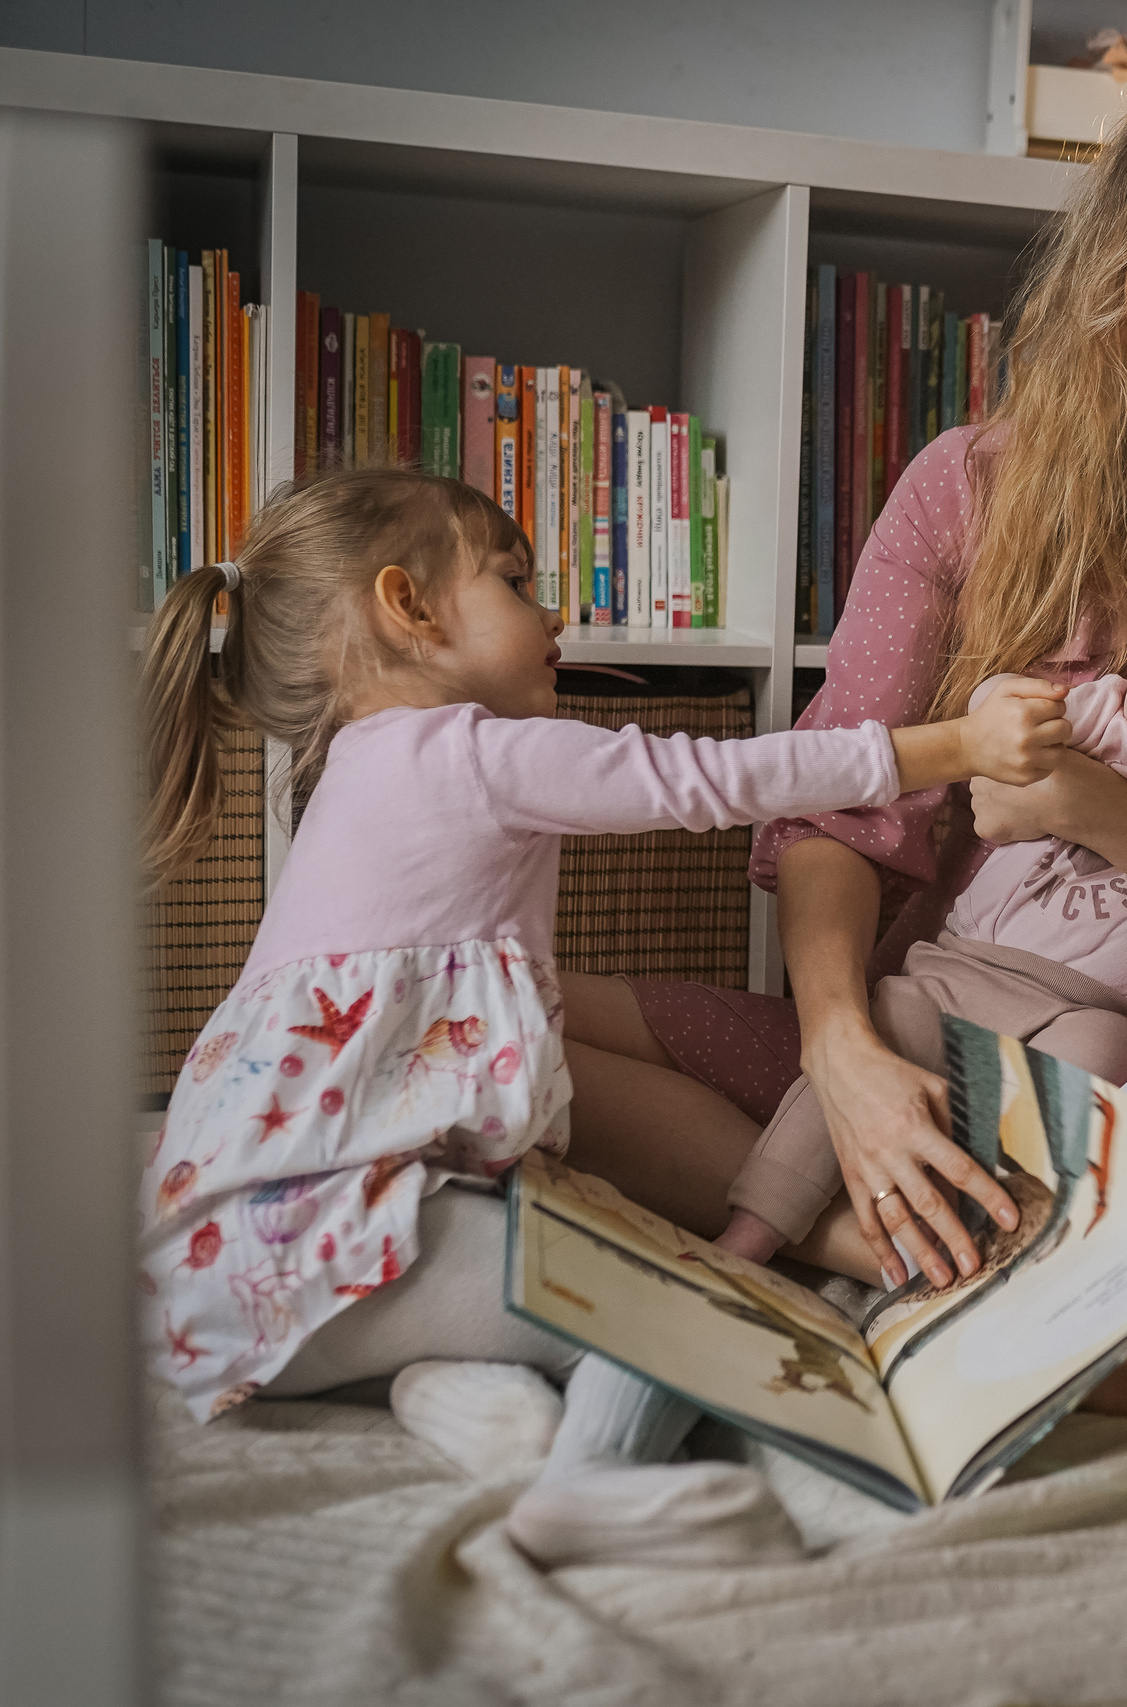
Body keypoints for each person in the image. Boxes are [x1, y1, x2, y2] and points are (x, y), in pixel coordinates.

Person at [563, 45, 1127, 1418]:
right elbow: (837, 804)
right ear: (1116, 254)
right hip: (949, 996)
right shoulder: (965, 489)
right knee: (494, 1032)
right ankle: (903, 1236)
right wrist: (843, 1057)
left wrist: (1089, 804)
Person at [136, 467, 1066, 1564]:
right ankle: (592, 1484)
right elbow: (711, 779)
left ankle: (458, 1399)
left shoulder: (350, 773)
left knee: (561, 1254)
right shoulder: (467, 750)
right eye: (514, 581)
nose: (554, 618)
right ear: (409, 607)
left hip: (236, 1279)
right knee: (674, 1296)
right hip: (326, 1255)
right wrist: (957, 745)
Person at [718, 544, 1127, 1268]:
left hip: (1094, 1009)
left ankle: (997, 1232)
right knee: (877, 1044)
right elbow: (990, 705)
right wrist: (1006, 709)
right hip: (961, 971)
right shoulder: (1105, 719)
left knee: (1103, 1061)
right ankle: (755, 1228)